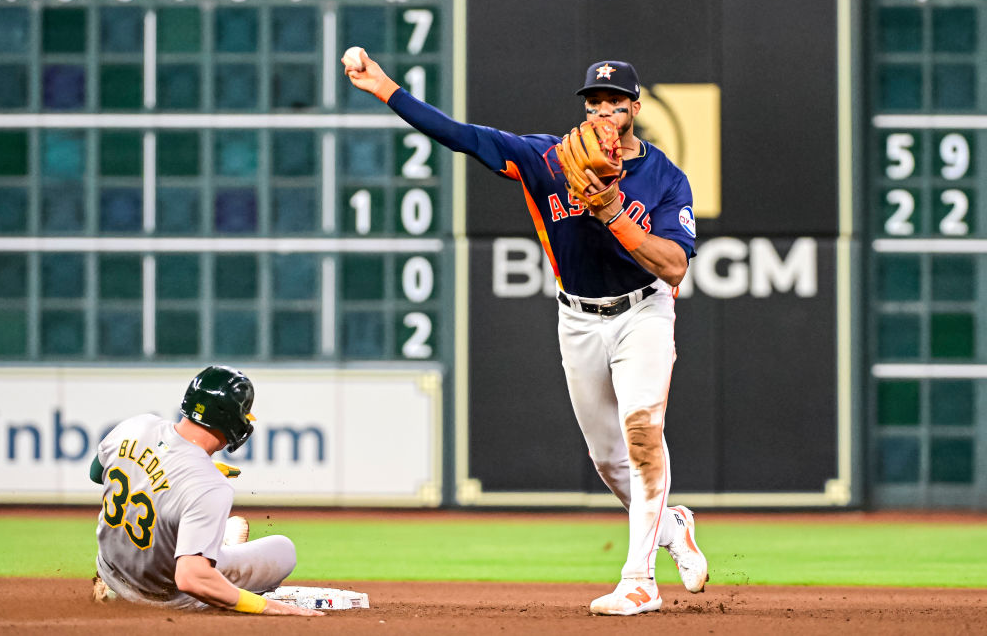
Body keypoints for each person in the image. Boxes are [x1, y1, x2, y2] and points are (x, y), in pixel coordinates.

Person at [345, 51, 708, 615]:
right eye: (595, 102)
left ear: (636, 108)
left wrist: (613, 211)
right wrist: (386, 88)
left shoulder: (665, 177)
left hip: (644, 313)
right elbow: (461, 136)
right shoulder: (546, 158)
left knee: (642, 433)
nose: (604, 111)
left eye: (616, 102)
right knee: (608, 458)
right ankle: (671, 525)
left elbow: (674, 266)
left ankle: (639, 580)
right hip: (578, 318)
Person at [89, 365, 322, 616]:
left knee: (172, 518)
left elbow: (95, 474)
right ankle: (219, 547)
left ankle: (115, 588)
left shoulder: (136, 426)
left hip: (110, 574)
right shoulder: (210, 485)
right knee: (283, 549)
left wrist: (168, 476)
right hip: (163, 599)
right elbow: (191, 579)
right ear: (230, 418)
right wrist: (266, 606)